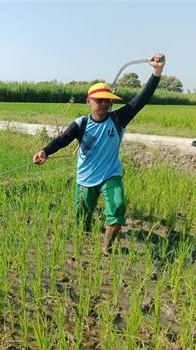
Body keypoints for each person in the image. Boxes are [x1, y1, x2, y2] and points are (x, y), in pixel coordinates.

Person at [33, 53, 165, 255]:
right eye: (99, 100)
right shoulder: (81, 124)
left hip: (110, 174)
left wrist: (156, 72)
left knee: (118, 206)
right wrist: (44, 151)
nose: (104, 104)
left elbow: (142, 99)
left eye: (107, 101)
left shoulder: (119, 119)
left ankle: (107, 247)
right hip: (86, 178)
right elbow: (62, 139)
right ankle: (85, 236)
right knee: (83, 221)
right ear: (89, 101)